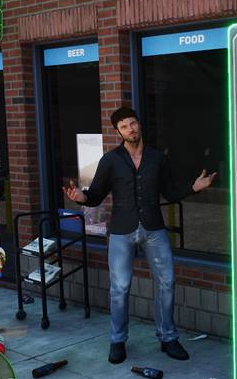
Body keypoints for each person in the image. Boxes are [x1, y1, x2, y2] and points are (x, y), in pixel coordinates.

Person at [63, 106, 216, 364]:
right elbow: (96, 195)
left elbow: (170, 192)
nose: (130, 129)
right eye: (124, 126)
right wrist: (82, 197)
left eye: (132, 123)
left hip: (154, 228)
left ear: (139, 124)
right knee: (120, 287)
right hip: (121, 231)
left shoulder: (157, 158)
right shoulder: (110, 160)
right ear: (118, 132)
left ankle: (168, 337)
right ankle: (117, 340)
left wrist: (194, 187)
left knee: (167, 282)